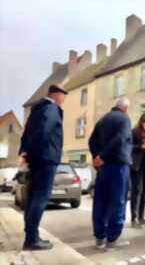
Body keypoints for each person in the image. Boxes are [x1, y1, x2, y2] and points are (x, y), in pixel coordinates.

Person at [19, 84, 68, 251]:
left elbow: (26, 134)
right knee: (40, 198)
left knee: (33, 197)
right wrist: (42, 153)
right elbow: (44, 131)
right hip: (46, 158)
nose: (64, 99)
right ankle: (32, 239)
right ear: (56, 95)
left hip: (36, 158)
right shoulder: (52, 108)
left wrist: (26, 153)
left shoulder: (37, 109)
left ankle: (31, 235)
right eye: (63, 95)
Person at [89, 97, 132, 249]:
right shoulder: (124, 119)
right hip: (118, 165)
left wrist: (96, 157)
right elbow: (121, 139)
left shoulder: (102, 120)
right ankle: (112, 239)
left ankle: (99, 236)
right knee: (118, 200)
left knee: (100, 200)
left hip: (103, 167)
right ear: (125, 108)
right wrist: (104, 155)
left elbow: (91, 141)